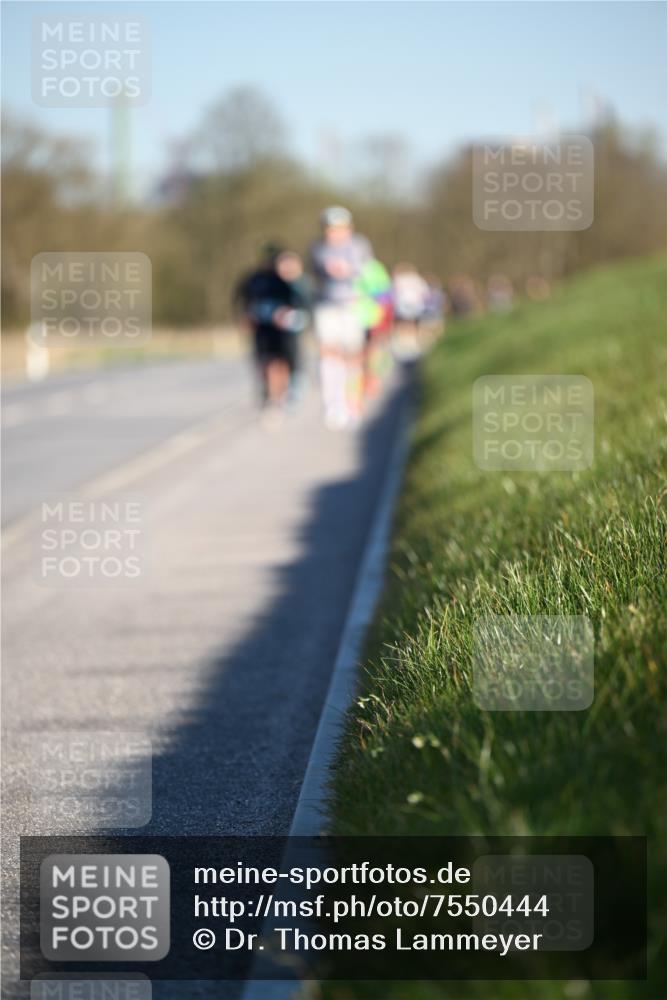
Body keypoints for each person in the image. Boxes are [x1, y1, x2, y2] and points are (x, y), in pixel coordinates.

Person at [309, 206, 373, 428]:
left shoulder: (360, 245)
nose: (335, 233)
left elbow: (366, 270)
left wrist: (350, 270)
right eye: (330, 229)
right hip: (327, 306)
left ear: (349, 228)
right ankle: (332, 404)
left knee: (353, 357)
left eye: (340, 228)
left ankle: (352, 403)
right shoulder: (317, 248)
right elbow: (318, 270)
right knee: (329, 353)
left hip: (352, 306)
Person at [233, 243, 308, 421]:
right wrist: (244, 316)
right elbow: (241, 299)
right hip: (262, 328)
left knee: (283, 362)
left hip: (283, 330)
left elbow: (302, 301)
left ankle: (281, 396)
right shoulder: (253, 279)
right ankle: (270, 396)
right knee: (266, 363)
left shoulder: (287, 279)